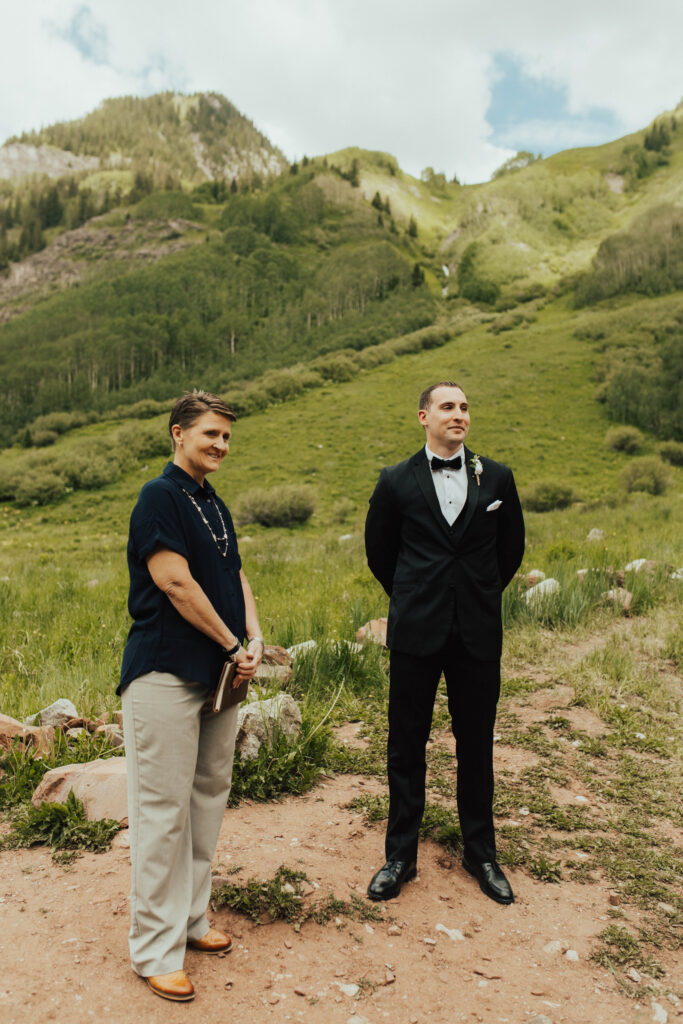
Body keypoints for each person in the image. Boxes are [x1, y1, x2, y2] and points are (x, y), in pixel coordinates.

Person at [119, 389, 264, 1002]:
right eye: (210, 433)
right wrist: (234, 644)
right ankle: (154, 949)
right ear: (177, 433)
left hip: (220, 673)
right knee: (163, 811)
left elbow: (233, 573)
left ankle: (192, 920)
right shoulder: (160, 497)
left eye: (227, 436)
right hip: (165, 674)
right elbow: (173, 581)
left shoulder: (212, 500)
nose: (221, 445)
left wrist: (255, 636)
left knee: (207, 798)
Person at [364, 381, 524, 905]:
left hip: (477, 632)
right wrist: (414, 597)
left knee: (476, 745)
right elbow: (380, 552)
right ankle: (400, 856)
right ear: (423, 417)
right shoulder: (394, 482)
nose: (459, 415)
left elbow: (511, 550)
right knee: (406, 745)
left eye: (464, 407)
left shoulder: (497, 477)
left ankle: (481, 854)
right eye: (448, 407)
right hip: (415, 631)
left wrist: (473, 594)